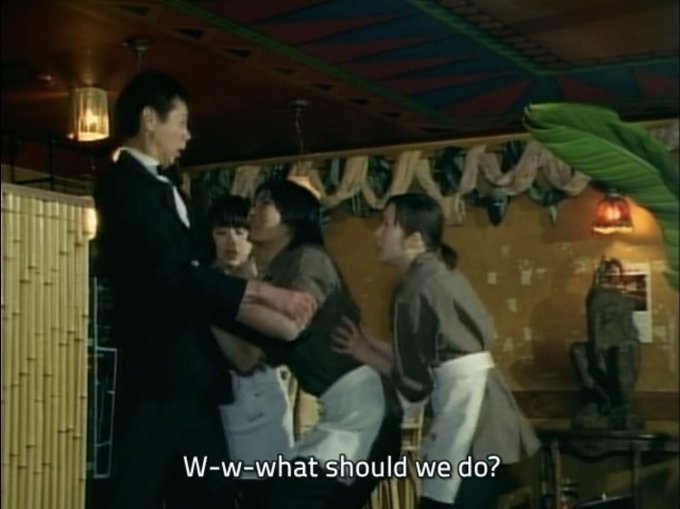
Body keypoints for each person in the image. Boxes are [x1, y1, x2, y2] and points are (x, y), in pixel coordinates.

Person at [93, 70, 315, 509]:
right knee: (136, 494)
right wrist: (266, 295)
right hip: (156, 376)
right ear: (149, 120)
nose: (188, 135)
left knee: (209, 493)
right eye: (181, 122)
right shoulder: (124, 189)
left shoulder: (169, 187)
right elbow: (176, 276)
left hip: (193, 376)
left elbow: (201, 269)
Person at [333, 193, 539, 509]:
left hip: (469, 412)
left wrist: (366, 354)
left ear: (414, 239)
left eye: (386, 224)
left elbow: (415, 381)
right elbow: (434, 357)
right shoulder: (438, 276)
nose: (377, 234)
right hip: (482, 404)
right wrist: (372, 345)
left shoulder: (413, 289)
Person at [233, 178, 402, 509]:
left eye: (264, 203)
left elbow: (293, 322)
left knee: (289, 498)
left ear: (293, 215)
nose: (252, 211)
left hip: (366, 408)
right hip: (343, 411)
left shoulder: (308, 258)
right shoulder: (276, 272)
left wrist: (228, 295)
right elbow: (248, 358)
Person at [207, 194, 294, 508]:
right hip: (217, 406)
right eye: (221, 232)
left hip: (262, 402)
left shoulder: (268, 286)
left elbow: (248, 359)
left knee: (265, 493)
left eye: (240, 231)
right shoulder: (206, 281)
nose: (231, 241)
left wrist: (206, 310)